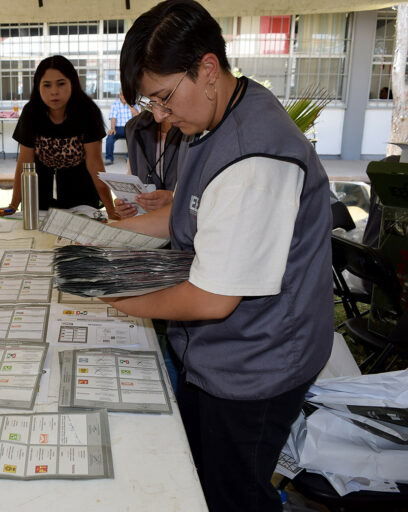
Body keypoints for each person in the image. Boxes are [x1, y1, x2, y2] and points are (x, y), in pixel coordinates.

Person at [107, 1, 333, 511]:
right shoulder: (213, 115)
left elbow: (212, 299)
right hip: (219, 354)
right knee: (198, 476)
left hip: (258, 365)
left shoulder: (255, 158)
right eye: (150, 103)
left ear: (207, 69)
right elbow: (185, 213)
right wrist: (105, 236)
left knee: (235, 494)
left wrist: (112, 295)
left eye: (164, 98)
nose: (160, 116)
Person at [0, 55, 118, 219]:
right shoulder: (31, 113)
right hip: (39, 200)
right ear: (38, 86)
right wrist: (13, 205)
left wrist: (111, 210)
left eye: (61, 84)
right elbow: (25, 162)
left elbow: (95, 164)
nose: (54, 91)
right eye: (47, 85)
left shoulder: (88, 112)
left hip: (83, 200)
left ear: (72, 83)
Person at [114, 115, 183, 218]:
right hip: (147, 219)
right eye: (151, 106)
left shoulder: (195, 130)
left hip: (184, 220)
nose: (158, 115)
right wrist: (126, 205)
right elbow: (133, 174)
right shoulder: (135, 127)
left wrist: (174, 198)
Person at [104, 92, 138, 166]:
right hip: (118, 128)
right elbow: (113, 117)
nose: (124, 96)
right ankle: (109, 158)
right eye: (123, 95)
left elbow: (136, 115)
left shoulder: (132, 103)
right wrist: (112, 128)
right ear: (120, 95)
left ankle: (129, 157)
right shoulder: (115, 104)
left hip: (129, 128)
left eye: (126, 95)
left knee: (135, 137)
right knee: (110, 137)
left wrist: (129, 104)